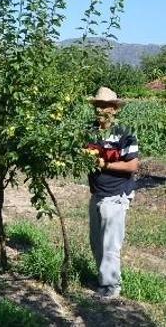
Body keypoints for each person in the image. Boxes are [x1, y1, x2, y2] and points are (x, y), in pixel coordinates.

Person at [86, 86, 139, 299]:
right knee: (96, 241)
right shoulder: (89, 131)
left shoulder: (125, 132)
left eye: (106, 106)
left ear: (115, 109)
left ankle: (111, 287)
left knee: (110, 244)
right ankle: (103, 280)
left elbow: (132, 166)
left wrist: (103, 164)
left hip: (116, 195)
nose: (101, 110)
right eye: (98, 106)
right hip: (97, 193)